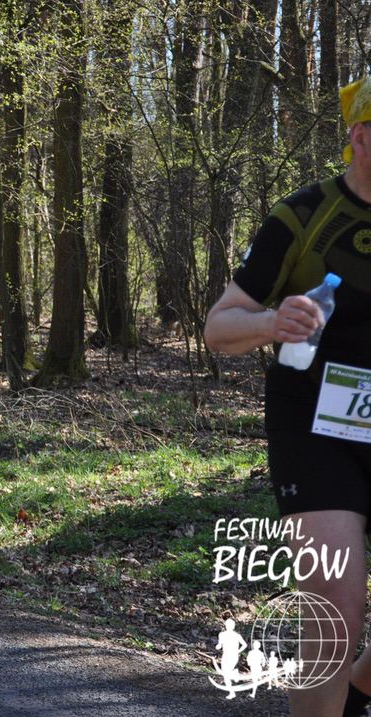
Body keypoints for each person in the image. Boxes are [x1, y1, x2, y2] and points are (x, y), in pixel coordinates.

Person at [204, 77, 371, 716]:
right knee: (335, 610)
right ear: (360, 137)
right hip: (316, 427)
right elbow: (220, 327)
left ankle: (353, 696)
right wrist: (275, 322)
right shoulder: (304, 216)